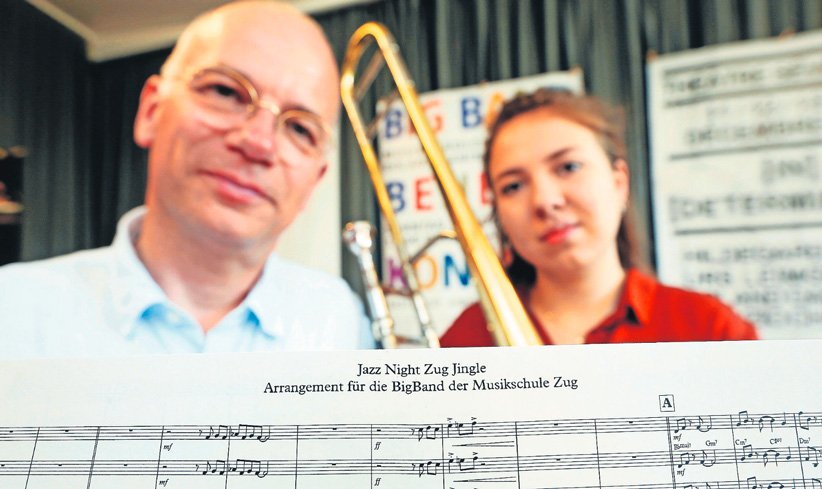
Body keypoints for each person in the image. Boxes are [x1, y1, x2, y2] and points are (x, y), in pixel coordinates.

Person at [0, 1, 375, 358]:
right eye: (225, 91)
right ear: (151, 111)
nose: (259, 143)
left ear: (315, 181)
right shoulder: (12, 310)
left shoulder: (342, 321)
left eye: (300, 129)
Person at [440, 89, 758, 346]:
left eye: (568, 167)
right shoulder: (464, 341)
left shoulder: (711, 330)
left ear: (619, 182)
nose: (545, 201)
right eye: (513, 186)